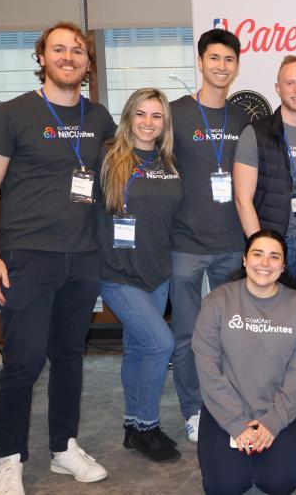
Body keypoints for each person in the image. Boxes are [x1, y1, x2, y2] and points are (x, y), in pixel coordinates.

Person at [0, 22, 116, 494]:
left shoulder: (99, 117)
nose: (68, 57)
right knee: (24, 361)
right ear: (41, 57)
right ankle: (9, 459)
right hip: (27, 255)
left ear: (88, 62)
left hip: (83, 255)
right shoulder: (10, 115)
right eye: (58, 49)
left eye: (77, 50)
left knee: (70, 356)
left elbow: (120, 172)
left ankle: (63, 447)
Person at [168, 28, 251, 442]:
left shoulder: (243, 119)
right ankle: (193, 410)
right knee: (186, 336)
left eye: (229, 59)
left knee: (231, 334)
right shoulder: (173, 114)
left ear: (237, 66)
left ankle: (228, 406)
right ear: (200, 62)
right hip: (185, 244)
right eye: (214, 58)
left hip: (232, 244)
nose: (221, 66)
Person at [193, 230, 296, 495]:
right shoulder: (217, 302)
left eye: (274, 256)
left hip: (279, 410)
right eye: (257, 254)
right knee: (224, 487)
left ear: (283, 266)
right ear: (244, 259)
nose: (265, 263)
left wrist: (274, 421)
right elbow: (208, 369)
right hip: (225, 410)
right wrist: (235, 423)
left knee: (280, 483)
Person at [96, 88, 182, 462]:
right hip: (117, 273)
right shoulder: (107, 157)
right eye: (141, 114)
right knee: (161, 344)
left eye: (156, 116)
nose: (148, 123)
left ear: (165, 123)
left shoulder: (169, 162)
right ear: (129, 117)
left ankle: (132, 426)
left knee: (136, 349)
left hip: (157, 272)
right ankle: (147, 426)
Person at [234, 55, 296, 279]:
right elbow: (242, 199)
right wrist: (261, 249)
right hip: (273, 244)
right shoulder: (255, 133)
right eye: (290, 83)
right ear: (278, 88)